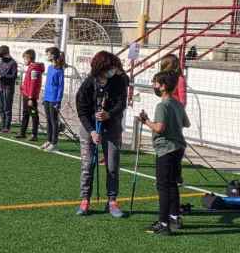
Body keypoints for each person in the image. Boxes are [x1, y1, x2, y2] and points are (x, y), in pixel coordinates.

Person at [74, 51, 129, 218]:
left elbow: (121, 103)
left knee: (112, 166)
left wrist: (109, 114)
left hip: (112, 128)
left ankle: (112, 201)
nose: (112, 71)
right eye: (109, 68)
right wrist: (91, 131)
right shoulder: (88, 84)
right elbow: (82, 110)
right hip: (89, 128)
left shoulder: (118, 80)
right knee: (87, 166)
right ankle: (85, 200)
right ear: (100, 69)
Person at [139, 71, 191, 235]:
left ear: (163, 86)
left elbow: (160, 128)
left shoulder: (162, 105)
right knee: (172, 184)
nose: (154, 86)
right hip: (178, 148)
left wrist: (146, 121)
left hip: (166, 149)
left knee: (163, 186)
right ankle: (174, 217)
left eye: (155, 83)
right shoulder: (177, 104)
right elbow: (186, 123)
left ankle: (163, 223)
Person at [15, 49, 43, 142]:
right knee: (25, 113)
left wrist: (31, 97)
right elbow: (28, 82)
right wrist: (23, 87)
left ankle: (34, 134)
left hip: (31, 97)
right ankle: (22, 132)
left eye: (25, 59)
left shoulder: (34, 69)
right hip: (26, 95)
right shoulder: (30, 67)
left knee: (34, 115)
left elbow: (34, 84)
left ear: (29, 58)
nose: (24, 61)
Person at [41, 47, 64, 152]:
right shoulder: (50, 67)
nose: (47, 56)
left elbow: (60, 86)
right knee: (48, 120)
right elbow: (47, 84)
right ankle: (49, 140)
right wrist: (44, 96)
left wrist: (58, 101)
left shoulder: (59, 70)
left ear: (54, 55)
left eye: (49, 54)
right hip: (47, 97)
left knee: (54, 121)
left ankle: (55, 143)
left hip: (54, 99)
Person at [0, 45, 18, 133]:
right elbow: (1, 73)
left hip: (8, 88)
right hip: (1, 87)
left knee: (7, 108)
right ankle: (2, 125)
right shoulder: (2, 62)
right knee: (1, 107)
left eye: (2, 55)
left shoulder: (13, 63)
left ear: (6, 53)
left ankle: (7, 127)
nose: (1, 57)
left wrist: (1, 76)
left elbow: (13, 76)